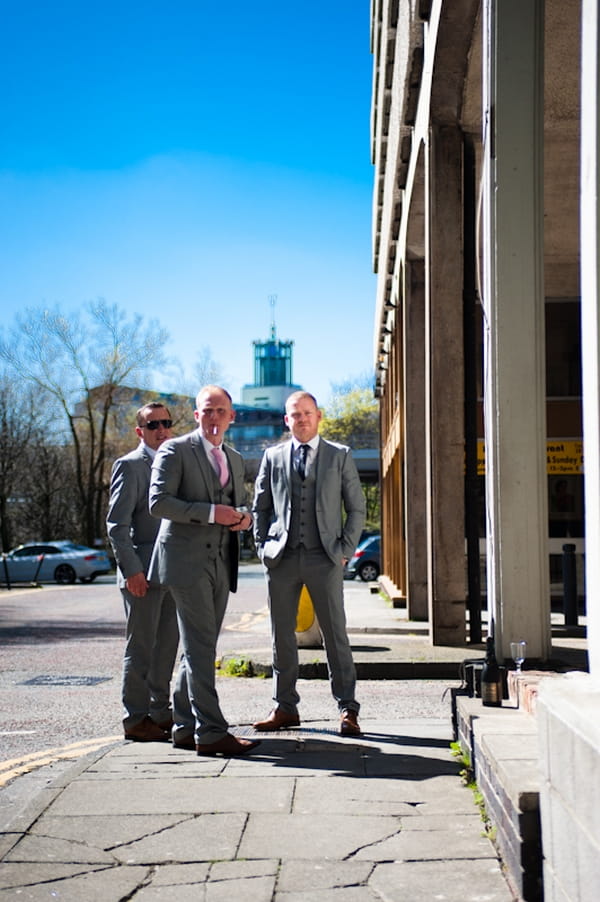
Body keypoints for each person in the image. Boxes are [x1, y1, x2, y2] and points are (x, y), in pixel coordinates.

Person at [147, 385, 260, 757]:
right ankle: (211, 733)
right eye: (207, 411)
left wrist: (244, 519)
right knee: (198, 647)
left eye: (220, 411)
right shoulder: (174, 450)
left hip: (220, 563)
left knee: (201, 646)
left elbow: (236, 506)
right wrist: (213, 513)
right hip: (184, 563)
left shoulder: (237, 458)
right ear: (197, 415)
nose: (214, 418)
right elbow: (158, 503)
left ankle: (183, 727)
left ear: (232, 416)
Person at [252, 390, 366, 736]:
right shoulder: (272, 457)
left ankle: (347, 708)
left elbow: (357, 508)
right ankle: (285, 707)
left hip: (325, 557)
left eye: (306, 413)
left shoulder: (339, 455)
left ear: (318, 416)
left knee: (335, 635)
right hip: (282, 558)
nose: (300, 419)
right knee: (281, 636)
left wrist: (344, 549)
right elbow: (260, 507)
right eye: (293, 414)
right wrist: (262, 547)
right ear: (286, 420)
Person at [107, 402, 180, 742]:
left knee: (167, 647)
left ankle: (159, 712)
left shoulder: (176, 462)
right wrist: (132, 570)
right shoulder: (130, 466)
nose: (162, 429)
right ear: (140, 432)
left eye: (167, 422)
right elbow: (116, 527)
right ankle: (135, 719)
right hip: (141, 575)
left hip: (174, 573)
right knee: (141, 650)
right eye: (154, 425)